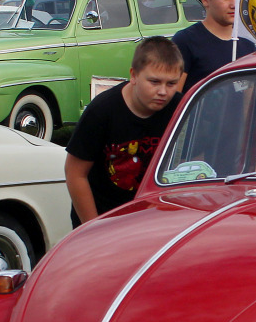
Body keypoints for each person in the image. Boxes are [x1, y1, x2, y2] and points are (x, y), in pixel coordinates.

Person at [64, 36, 184, 227]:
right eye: (154, 82)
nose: (163, 91)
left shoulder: (179, 107)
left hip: (151, 219)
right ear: (133, 75)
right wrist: (92, 227)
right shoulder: (102, 111)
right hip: (104, 217)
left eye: (171, 84)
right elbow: (75, 173)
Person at [172, 0, 255, 95]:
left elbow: (249, 100)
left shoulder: (248, 46)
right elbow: (174, 97)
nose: (234, 4)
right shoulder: (185, 42)